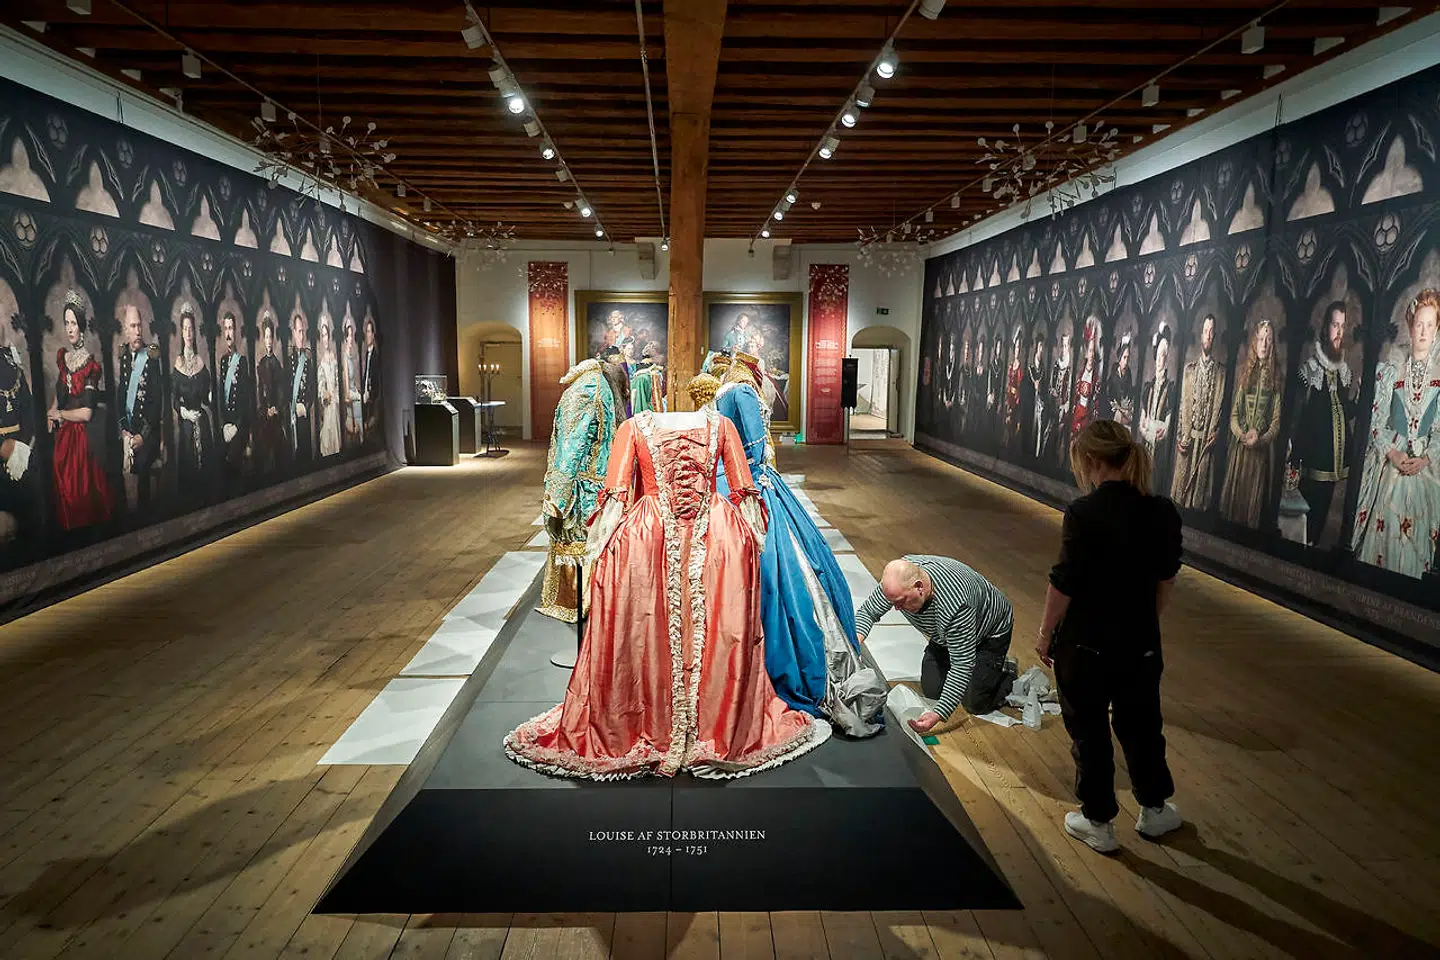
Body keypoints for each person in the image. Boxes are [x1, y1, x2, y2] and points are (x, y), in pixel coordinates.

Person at [506, 406, 828, 779]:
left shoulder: (633, 427)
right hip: (718, 537)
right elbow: (744, 491)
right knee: (716, 628)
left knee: (649, 629)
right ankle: (712, 726)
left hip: (648, 535)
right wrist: (751, 544)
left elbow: (615, 495)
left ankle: (651, 725)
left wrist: (598, 552)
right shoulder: (721, 426)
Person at [716, 352, 885, 738]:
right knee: (792, 577)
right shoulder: (742, 389)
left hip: (727, 485)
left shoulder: (724, 388)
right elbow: (757, 452)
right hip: (755, 486)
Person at [1036, 419, 1184, 854]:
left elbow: (1063, 583)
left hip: (1085, 642)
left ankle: (1098, 820)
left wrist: (1045, 634)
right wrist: (1143, 621)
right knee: (1142, 723)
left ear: (1092, 461)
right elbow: (1165, 580)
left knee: (1089, 728)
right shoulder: (1162, 512)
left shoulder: (1084, 512)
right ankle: (1155, 809)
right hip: (1140, 640)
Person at [855, 556, 1016, 734]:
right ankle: (963, 656)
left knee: (974, 703)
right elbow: (868, 612)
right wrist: (855, 646)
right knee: (932, 690)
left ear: (919, 587)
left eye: (901, 602)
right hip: (946, 635)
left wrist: (939, 713)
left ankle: (1005, 672)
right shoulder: (897, 583)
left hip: (989, 634)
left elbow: (962, 665)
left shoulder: (956, 604)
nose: (897, 609)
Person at [115, 303, 162, 511]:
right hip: (129, 432)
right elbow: (120, 398)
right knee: (111, 462)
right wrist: (124, 430)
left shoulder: (151, 358)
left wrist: (141, 436)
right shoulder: (124, 357)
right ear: (125, 330)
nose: (137, 331)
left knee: (142, 464)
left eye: (139, 326)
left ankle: (144, 519)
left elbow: (156, 403)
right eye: (132, 327)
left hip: (148, 433)